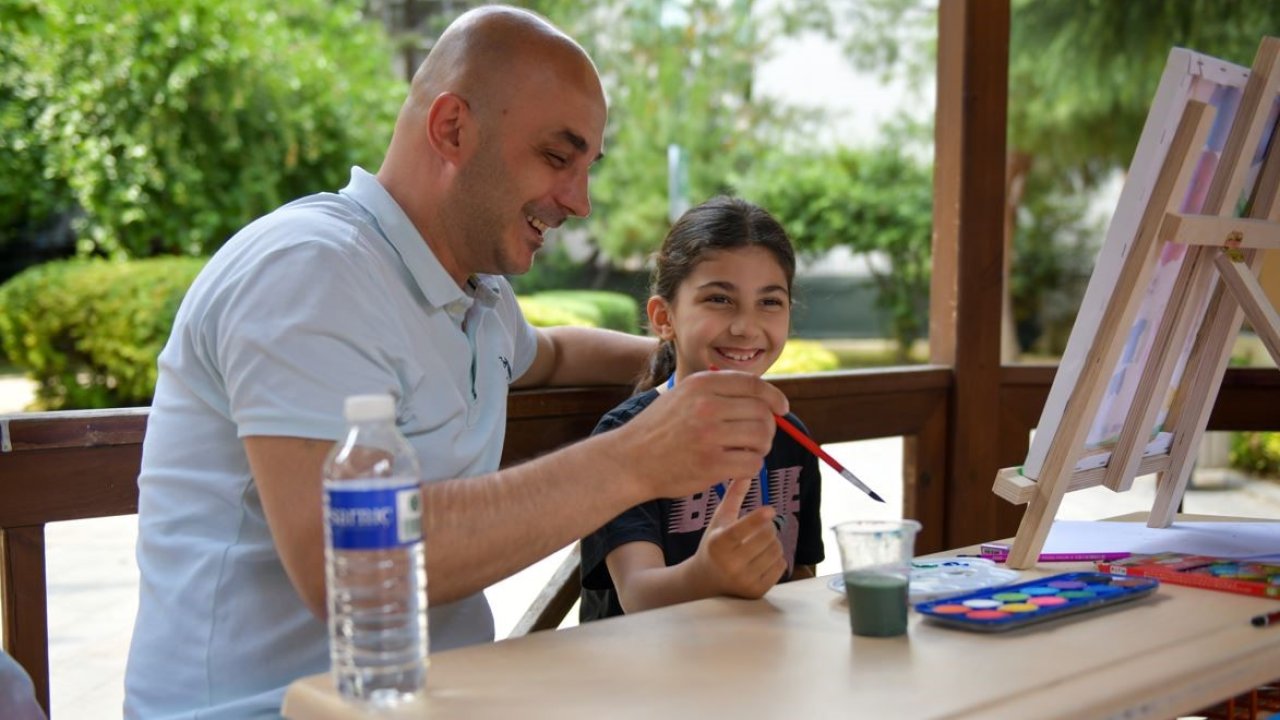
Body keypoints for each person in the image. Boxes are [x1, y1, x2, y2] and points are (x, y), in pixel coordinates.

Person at [123, 7, 788, 719]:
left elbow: (555, 354)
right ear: (451, 129)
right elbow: (341, 564)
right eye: (558, 158)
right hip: (269, 709)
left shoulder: (474, 294)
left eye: (587, 168)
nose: (580, 201)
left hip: (434, 697)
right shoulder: (313, 272)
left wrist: (703, 368)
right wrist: (638, 457)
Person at [579, 196, 824, 622]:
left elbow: (800, 576)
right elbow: (637, 595)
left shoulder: (791, 436)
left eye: (770, 302)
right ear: (664, 317)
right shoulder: (628, 436)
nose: (746, 327)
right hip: (640, 673)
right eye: (719, 299)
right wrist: (705, 575)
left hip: (751, 665)